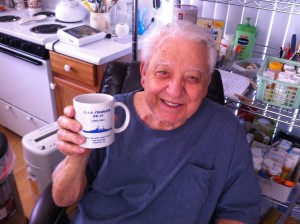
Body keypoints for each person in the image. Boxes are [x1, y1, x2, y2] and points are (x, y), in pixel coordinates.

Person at [53, 21, 262, 224]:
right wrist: (76, 158)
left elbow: (240, 213)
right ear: (144, 74)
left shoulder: (224, 129)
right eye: (163, 73)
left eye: (192, 78)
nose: (175, 90)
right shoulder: (107, 116)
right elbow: (63, 199)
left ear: (206, 84)